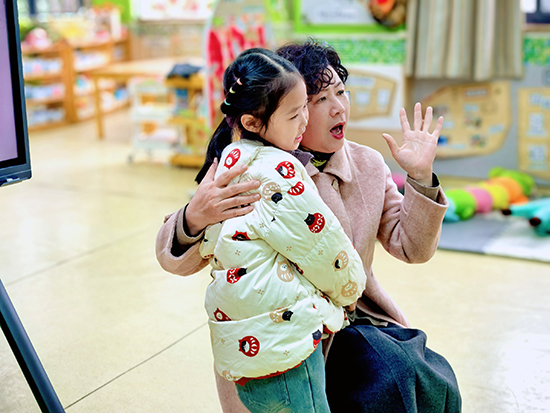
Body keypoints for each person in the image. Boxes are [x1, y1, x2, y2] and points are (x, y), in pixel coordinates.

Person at [156, 39, 461, 412]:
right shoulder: (251, 172)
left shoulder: (367, 163)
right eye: (318, 100)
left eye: (341, 92)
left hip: (358, 322)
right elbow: (175, 260)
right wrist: (194, 216)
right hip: (285, 341)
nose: (338, 108)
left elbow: (413, 247)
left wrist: (421, 178)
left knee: (433, 381)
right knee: (391, 379)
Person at [195, 47, 368, 412]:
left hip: (241, 336)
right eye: (295, 112)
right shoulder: (280, 171)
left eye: (306, 107)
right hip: (284, 336)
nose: (304, 120)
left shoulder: (229, 159)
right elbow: (322, 247)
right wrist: (351, 288)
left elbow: (211, 243)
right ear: (252, 122)